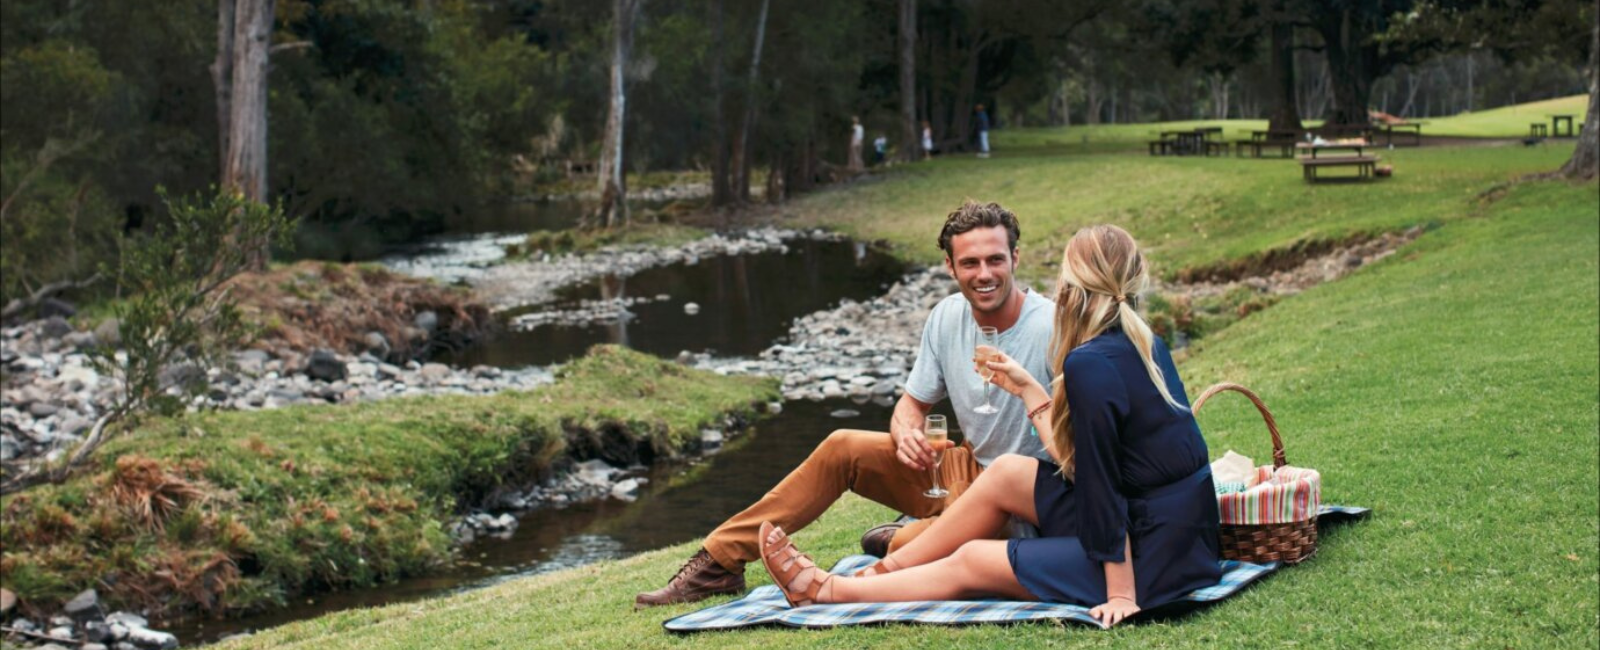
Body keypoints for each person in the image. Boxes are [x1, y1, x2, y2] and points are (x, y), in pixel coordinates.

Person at [757, 225, 1222, 627]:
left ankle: (825, 591)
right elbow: (1086, 464)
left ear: (1074, 285)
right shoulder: (1142, 341)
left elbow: (1102, 486)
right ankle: (878, 575)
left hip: (1148, 561)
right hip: (1186, 539)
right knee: (1007, 473)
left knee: (973, 559)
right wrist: (1029, 390)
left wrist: (1120, 593)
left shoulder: (1090, 363)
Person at [634, 201, 1056, 608]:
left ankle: (895, 539)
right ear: (950, 266)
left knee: (924, 552)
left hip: (1021, 498)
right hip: (964, 469)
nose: (984, 274)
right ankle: (718, 563)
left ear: (1015, 258)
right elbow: (911, 404)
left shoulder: (1052, 327)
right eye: (970, 263)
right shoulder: (947, 317)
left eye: (995, 260)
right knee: (842, 446)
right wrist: (906, 433)